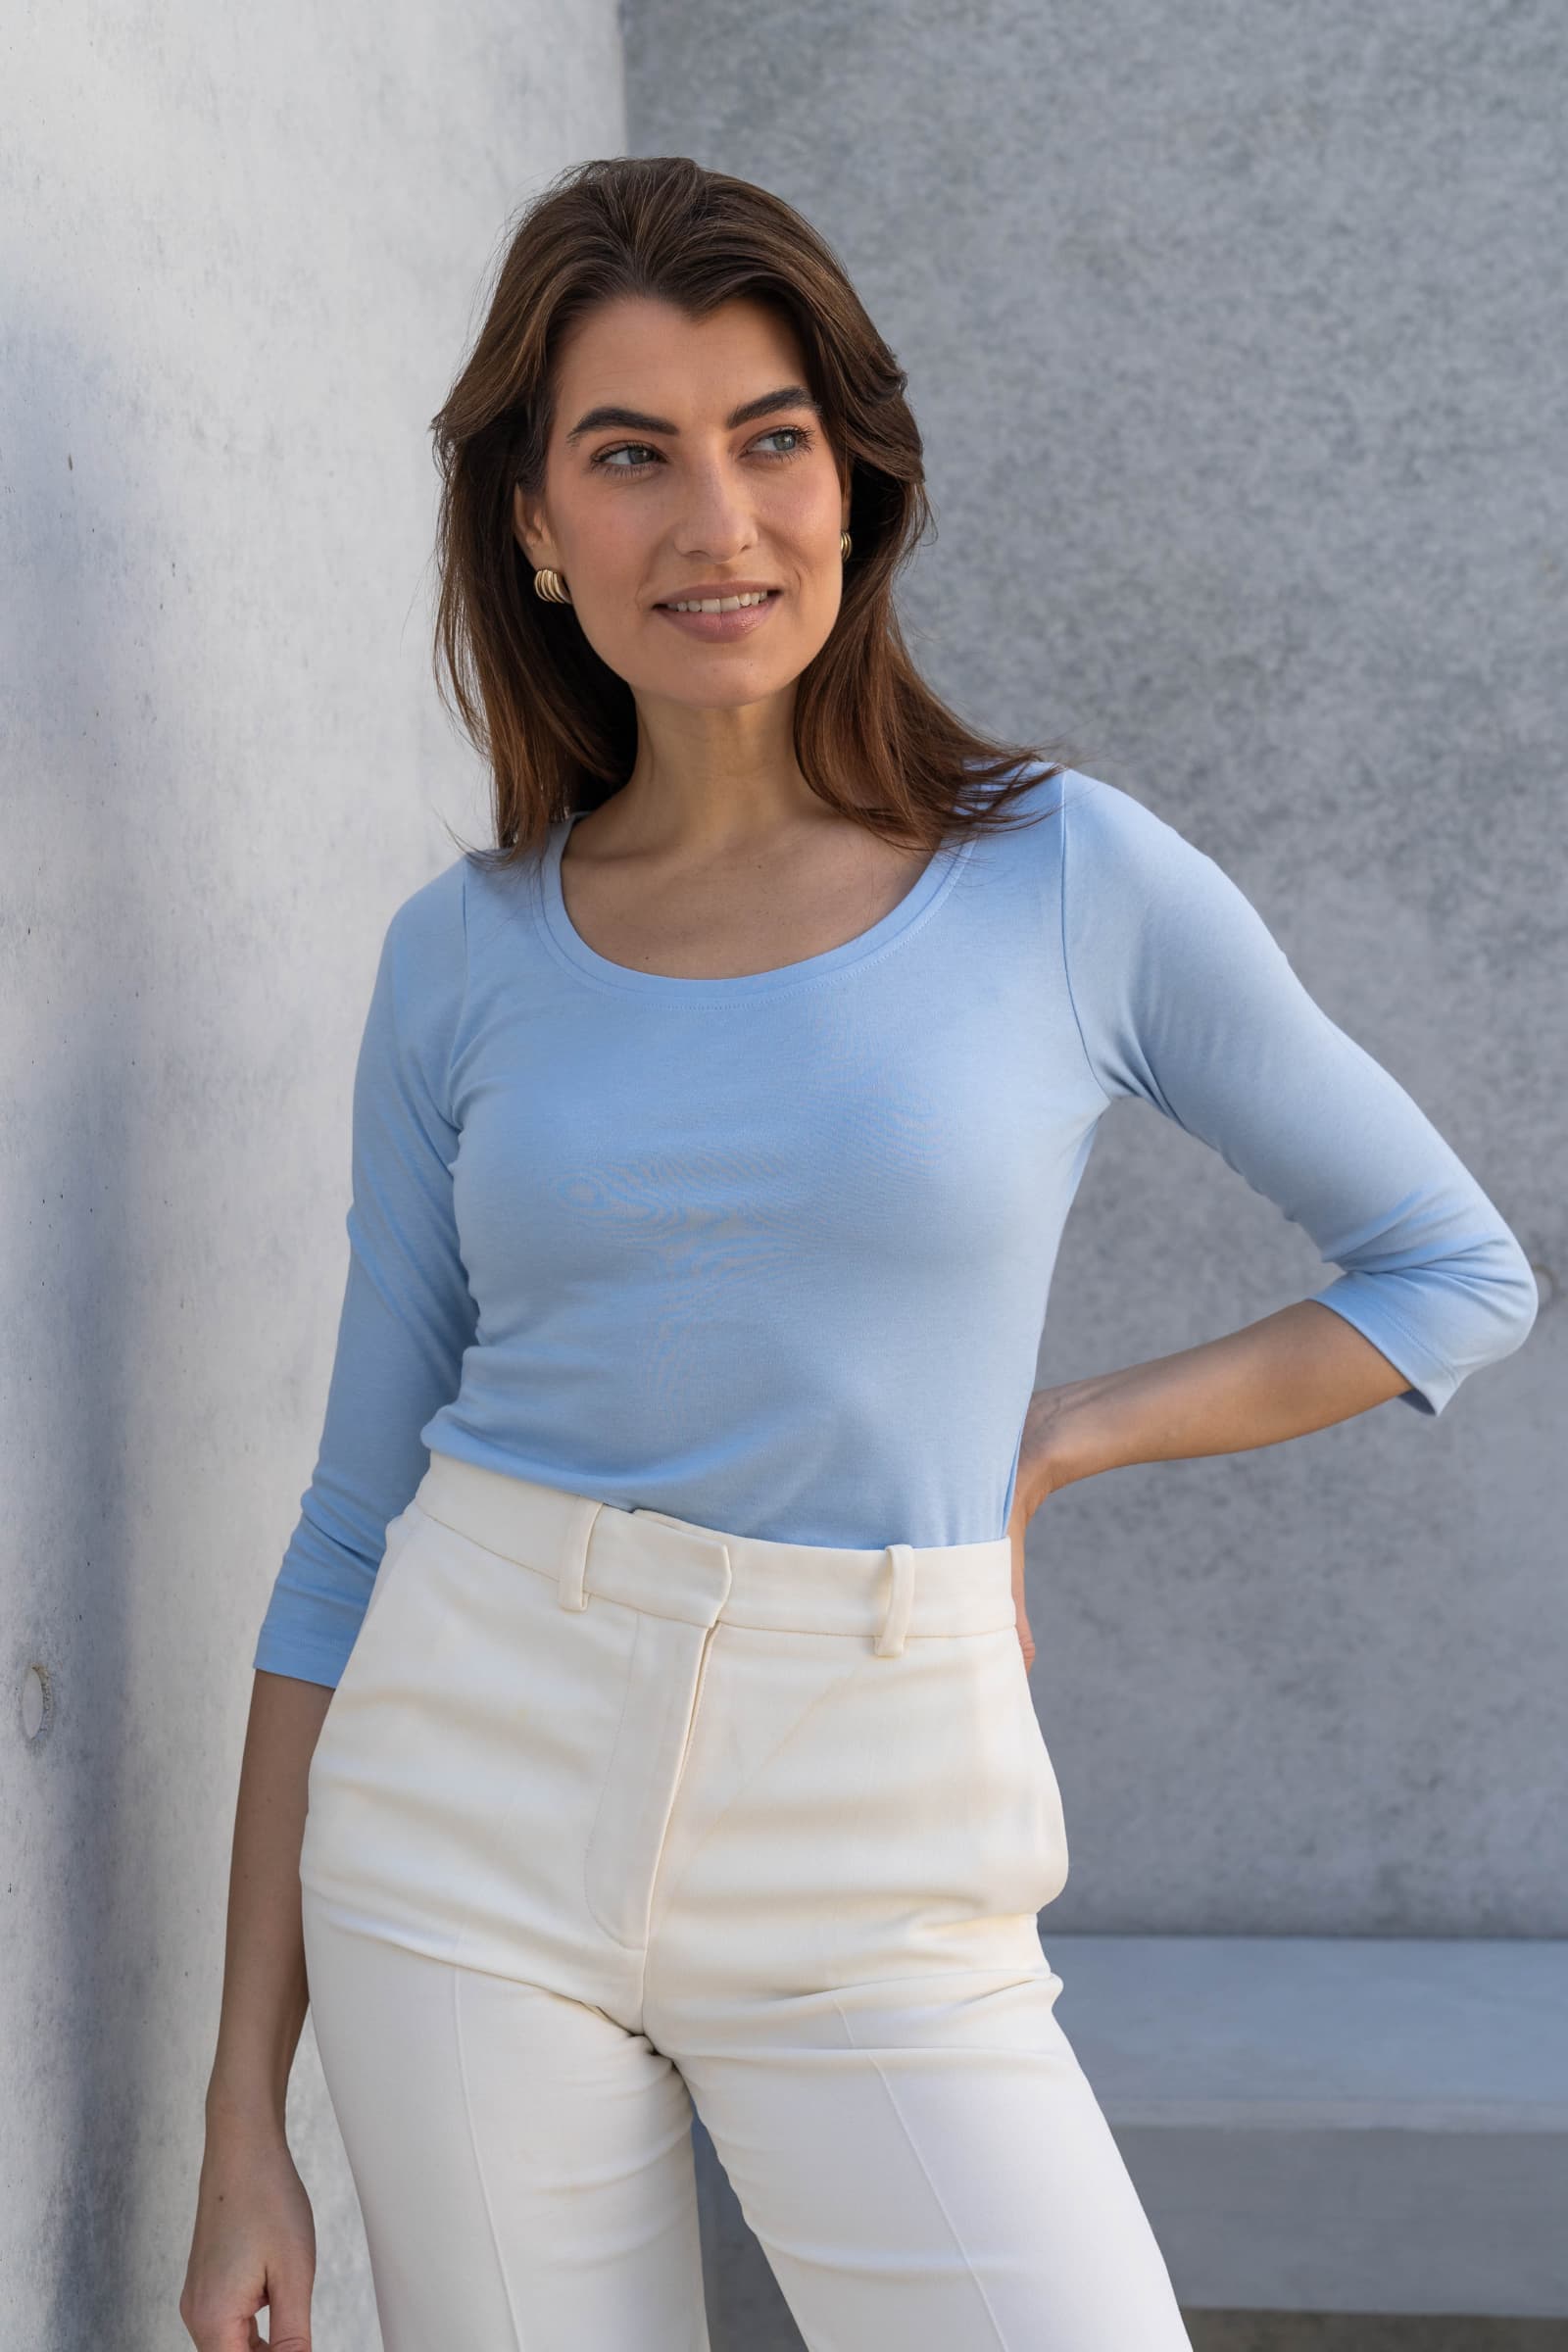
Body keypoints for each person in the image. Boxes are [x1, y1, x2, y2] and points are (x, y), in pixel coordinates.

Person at [180, 155, 1539, 2352]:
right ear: (531, 523)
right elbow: (345, 1532)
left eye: (768, 439)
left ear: (853, 480)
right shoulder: (458, 961)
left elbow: (1444, 1271)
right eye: (629, 456)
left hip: (877, 1810)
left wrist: (1057, 1438)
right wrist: (243, 2118)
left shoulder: (1065, 879)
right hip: (465, 1797)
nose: (713, 521)